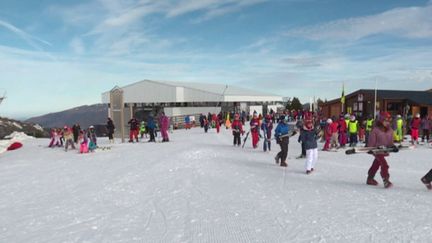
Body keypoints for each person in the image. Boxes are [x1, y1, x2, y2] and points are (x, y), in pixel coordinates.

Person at [366, 112, 395, 188]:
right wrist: (370, 148)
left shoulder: (390, 130)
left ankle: (370, 178)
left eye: (388, 121)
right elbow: (371, 141)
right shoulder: (375, 130)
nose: (387, 122)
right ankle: (385, 179)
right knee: (384, 164)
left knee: (376, 164)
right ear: (381, 121)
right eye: (385, 121)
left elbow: (390, 142)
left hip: (384, 150)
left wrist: (393, 147)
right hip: (377, 151)